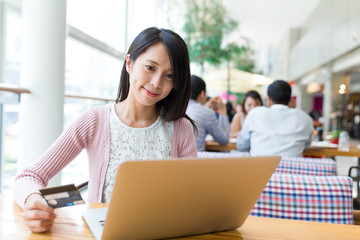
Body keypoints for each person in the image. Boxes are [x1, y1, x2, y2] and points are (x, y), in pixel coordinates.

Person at [14, 27, 197, 233]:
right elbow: (29, 177)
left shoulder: (181, 128)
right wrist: (34, 201)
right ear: (129, 63)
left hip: (162, 232)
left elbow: (190, 196)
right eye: (150, 67)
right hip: (105, 233)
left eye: (170, 75)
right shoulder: (95, 120)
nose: (156, 83)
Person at [236, 80, 314, 157]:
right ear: (290, 100)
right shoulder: (305, 118)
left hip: (260, 168)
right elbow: (306, 145)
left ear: (268, 100)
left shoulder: (254, 113)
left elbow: (241, 145)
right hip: (290, 168)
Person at [186, 75, 230, 151]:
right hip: (195, 160)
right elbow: (224, 140)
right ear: (202, 94)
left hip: (173, 160)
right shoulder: (206, 113)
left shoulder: (175, 108)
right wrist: (223, 109)